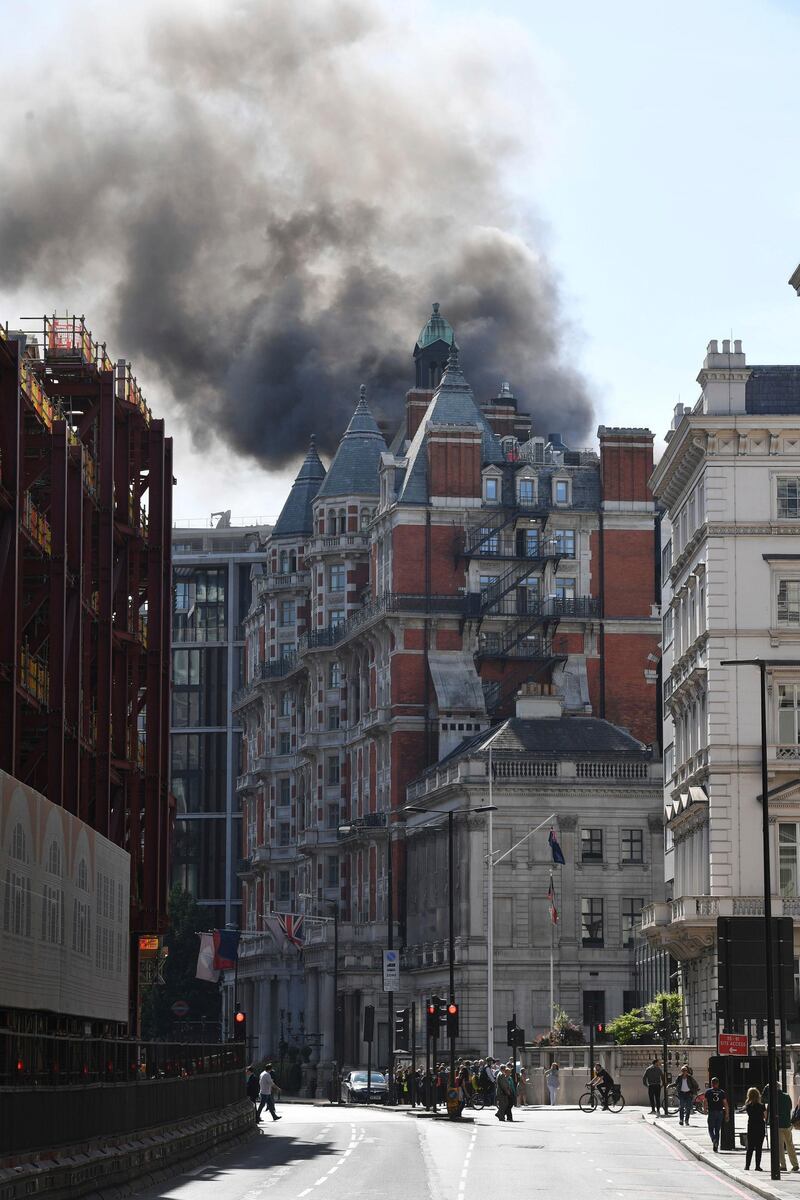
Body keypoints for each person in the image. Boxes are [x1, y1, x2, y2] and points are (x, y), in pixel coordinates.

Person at [765, 1083, 800, 1172]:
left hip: (778, 1124)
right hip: (787, 1124)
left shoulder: (773, 1098)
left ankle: (783, 1165)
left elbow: (764, 1099)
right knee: (790, 1145)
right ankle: (795, 1164)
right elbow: (790, 1107)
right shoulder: (787, 1096)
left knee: (779, 1146)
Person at [702, 1076, 728, 1152]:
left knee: (710, 1128)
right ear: (718, 1084)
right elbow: (725, 1103)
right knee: (717, 1129)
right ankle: (716, 1145)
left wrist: (705, 1110)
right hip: (720, 1112)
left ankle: (713, 1140)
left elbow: (705, 1101)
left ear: (711, 1083)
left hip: (711, 1112)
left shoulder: (708, 1092)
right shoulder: (722, 1092)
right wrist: (727, 1114)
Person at [744, 1086, 766, 1171]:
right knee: (758, 1148)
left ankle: (747, 1166)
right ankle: (757, 1166)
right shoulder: (762, 1106)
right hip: (760, 1127)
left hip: (751, 1127)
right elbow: (765, 1116)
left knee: (750, 1148)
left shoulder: (748, 1106)